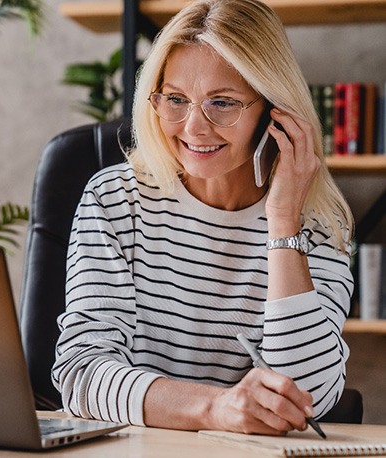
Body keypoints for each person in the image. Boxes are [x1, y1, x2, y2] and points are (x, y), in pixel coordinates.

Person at [52, 0, 354, 435]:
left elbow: (303, 398)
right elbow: (81, 375)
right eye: (175, 99)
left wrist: (283, 220)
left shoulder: (320, 224)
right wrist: (216, 408)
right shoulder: (114, 199)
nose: (194, 127)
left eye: (223, 103)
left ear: (274, 111)